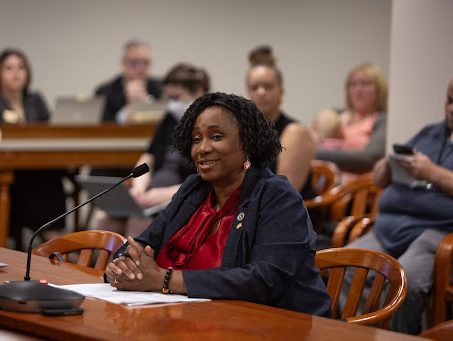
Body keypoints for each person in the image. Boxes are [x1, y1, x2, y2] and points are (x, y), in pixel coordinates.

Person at [105, 92, 332, 316]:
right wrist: (120, 265)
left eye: (216, 137)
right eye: (196, 139)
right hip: (188, 319)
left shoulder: (277, 197)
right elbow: (142, 244)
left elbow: (264, 280)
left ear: (247, 142)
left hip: (273, 326)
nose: (202, 148)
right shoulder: (193, 189)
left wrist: (165, 279)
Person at [340, 77, 453, 334]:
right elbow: (381, 177)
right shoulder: (430, 133)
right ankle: (351, 336)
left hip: (437, 234)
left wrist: (431, 172)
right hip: (389, 228)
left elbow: (431, 172)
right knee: (347, 264)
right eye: (449, 100)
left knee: (406, 282)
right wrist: (388, 165)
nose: (451, 109)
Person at [94, 63, 210, 237]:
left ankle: (126, 264)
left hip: (184, 197)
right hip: (151, 198)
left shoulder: (210, 127)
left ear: (198, 92)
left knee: (138, 221)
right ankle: (108, 264)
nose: (172, 103)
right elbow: (149, 156)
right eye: (168, 97)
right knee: (104, 219)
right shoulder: (170, 119)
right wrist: (138, 188)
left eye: (177, 97)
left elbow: (208, 179)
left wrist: (167, 194)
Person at [0, 48, 66, 248]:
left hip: (35, 165)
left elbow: (48, 130)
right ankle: (48, 238)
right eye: (9, 68)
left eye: (21, 67)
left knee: (54, 172)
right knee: (27, 180)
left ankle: (53, 234)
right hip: (0, 168)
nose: (16, 72)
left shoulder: (35, 99)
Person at [246, 46, 315, 199]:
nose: (261, 92)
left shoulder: (294, 132)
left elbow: (284, 195)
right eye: (254, 87)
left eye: (268, 87)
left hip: (288, 216)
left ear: (281, 92)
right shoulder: (243, 131)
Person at [313, 62, 388, 183]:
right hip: (323, 178)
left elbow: (369, 157)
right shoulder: (335, 115)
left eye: (365, 83)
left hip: (356, 189)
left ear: (379, 89)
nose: (358, 89)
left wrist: (316, 153)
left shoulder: (381, 119)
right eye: (352, 85)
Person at [95, 39, 163, 124]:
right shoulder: (106, 91)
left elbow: (166, 122)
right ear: (123, 63)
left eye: (145, 62)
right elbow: (104, 125)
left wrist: (146, 102)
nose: (140, 68)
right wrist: (129, 108)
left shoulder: (161, 87)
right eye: (134, 62)